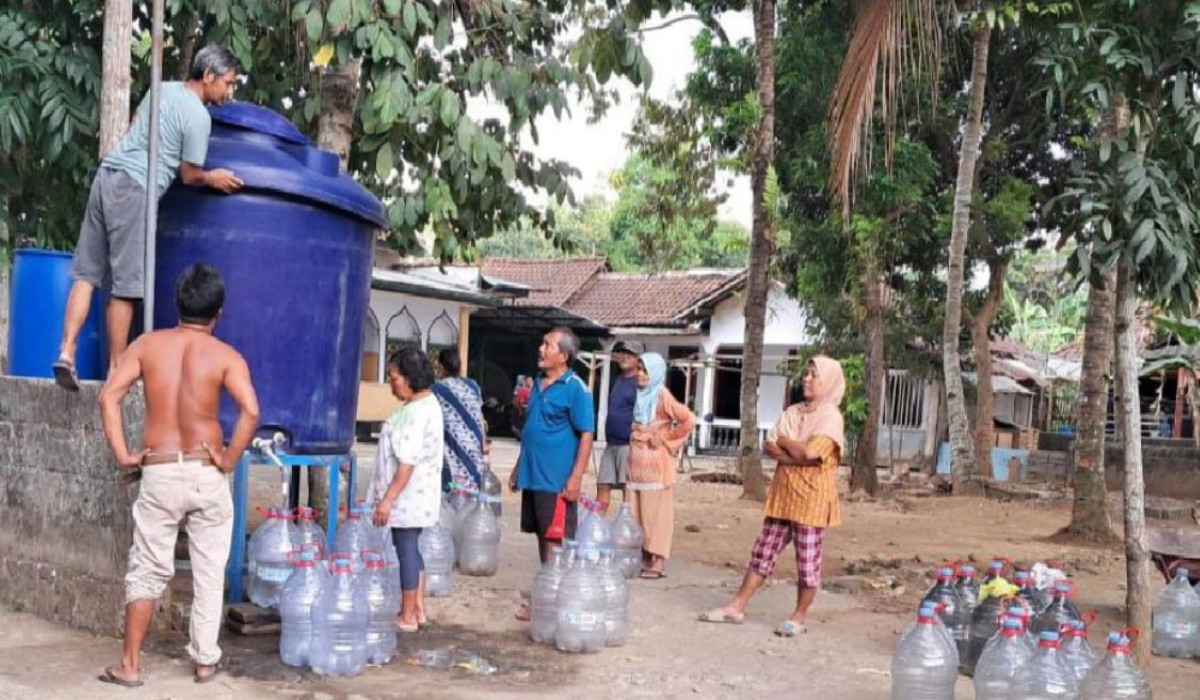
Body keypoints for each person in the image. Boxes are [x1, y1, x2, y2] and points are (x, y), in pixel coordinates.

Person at [97, 264, 259, 686]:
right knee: (209, 570)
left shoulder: (148, 345)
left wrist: (123, 452)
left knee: (147, 568)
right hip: (207, 472)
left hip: (160, 468)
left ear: (176, 304)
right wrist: (227, 459)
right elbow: (252, 412)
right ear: (218, 313)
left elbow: (109, 395)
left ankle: (129, 666)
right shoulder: (227, 356)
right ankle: (205, 660)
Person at [54, 45, 245, 391]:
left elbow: (135, 128)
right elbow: (188, 174)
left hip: (108, 174)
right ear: (208, 76)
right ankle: (116, 371)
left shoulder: (162, 88)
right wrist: (212, 177)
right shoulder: (199, 117)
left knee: (86, 274)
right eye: (228, 83)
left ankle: (66, 352)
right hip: (135, 188)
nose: (229, 92)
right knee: (127, 287)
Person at [698, 356, 845, 638]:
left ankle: (799, 617)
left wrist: (790, 446)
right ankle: (737, 606)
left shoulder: (830, 417)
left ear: (828, 382)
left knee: (807, 562)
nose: (807, 379)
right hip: (783, 495)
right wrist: (795, 453)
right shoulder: (792, 411)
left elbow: (810, 453)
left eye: (814, 375)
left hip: (813, 501)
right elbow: (771, 446)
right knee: (763, 553)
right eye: (807, 374)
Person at [370, 347, 444, 633]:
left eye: (395, 378)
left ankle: (409, 615)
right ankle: (417, 608)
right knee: (411, 547)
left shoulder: (416, 412)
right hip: (416, 495)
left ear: (410, 377)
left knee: (406, 549)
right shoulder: (424, 405)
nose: (392, 384)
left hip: (408, 495)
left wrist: (387, 500)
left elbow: (406, 463)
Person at [510, 328, 595, 561]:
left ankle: (554, 590)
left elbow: (587, 434)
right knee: (540, 530)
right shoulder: (537, 384)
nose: (541, 348)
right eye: (542, 343)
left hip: (556, 478)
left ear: (563, 356)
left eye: (548, 345)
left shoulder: (576, 389)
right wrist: (519, 469)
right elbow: (531, 430)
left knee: (553, 535)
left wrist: (576, 477)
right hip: (533, 474)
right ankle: (547, 586)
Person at [627, 352, 695, 579]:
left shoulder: (662, 395)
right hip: (635, 466)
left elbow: (688, 419)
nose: (641, 375)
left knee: (656, 515)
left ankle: (658, 561)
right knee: (636, 513)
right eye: (639, 369)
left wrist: (666, 439)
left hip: (656, 466)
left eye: (645, 370)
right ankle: (643, 556)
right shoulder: (637, 395)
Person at [595, 340, 643, 513]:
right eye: (622, 353)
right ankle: (597, 525)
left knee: (626, 488)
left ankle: (627, 528)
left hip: (628, 445)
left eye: (629, 354)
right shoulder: (618, 380)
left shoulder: (641, 383)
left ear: (639, 360)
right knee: (602, 484)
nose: (624, 357)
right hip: (611, 443)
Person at [432, 348, 486, 492]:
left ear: (441, 367)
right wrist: (484, 447)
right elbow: (480, 418)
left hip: (451, 450)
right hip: (474, 449)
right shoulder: (473, 385)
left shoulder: (437, 389)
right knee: (470, 495)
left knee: (451, 494)